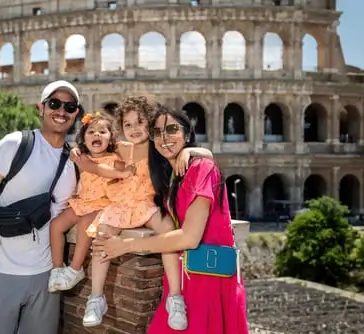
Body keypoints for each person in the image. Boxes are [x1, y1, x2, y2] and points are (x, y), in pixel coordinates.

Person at [92, 104, 249, 334]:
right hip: (181, 283)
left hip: (210, 283)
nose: (164, 137)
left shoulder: (202, 168)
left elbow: (189, 237)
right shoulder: (169, 177)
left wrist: (126, 245)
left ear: (187, 134)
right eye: (157, 132)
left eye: (172, 129)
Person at [61, 97, 214, 330]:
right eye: (128, 124)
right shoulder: (120, 148)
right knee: (102, 235)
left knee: (168, 230)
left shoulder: (158, 148)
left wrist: (190, 151)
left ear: (151, 125)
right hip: (120, 204)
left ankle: (175, 297)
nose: (134, 129)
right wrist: (75, 150)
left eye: (140, 122)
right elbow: (93, 147)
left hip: (146, 205)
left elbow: (207, 154)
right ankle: (96, 297)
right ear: (121, 128)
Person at [0, 80, 82, 334]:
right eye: (54, 103)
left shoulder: (75, 162)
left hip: (46, 276)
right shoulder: (15, 144)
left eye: (69, 106)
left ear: (76, 113)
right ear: (41, 107)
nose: (61, 111)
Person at [48, 111, 135, 292]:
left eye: (102, 132)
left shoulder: (115, 159)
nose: (96, 134)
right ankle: (57, 268)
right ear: (84, 138)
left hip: (103, 204)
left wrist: (123, 170)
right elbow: (92, 166)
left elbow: (125, 162)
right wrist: (74, 150)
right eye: (91, 132)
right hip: (84, 201)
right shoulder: (83, 158)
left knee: (87, 224)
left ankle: (75, 268)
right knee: (56, 225)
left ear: (111, 139)